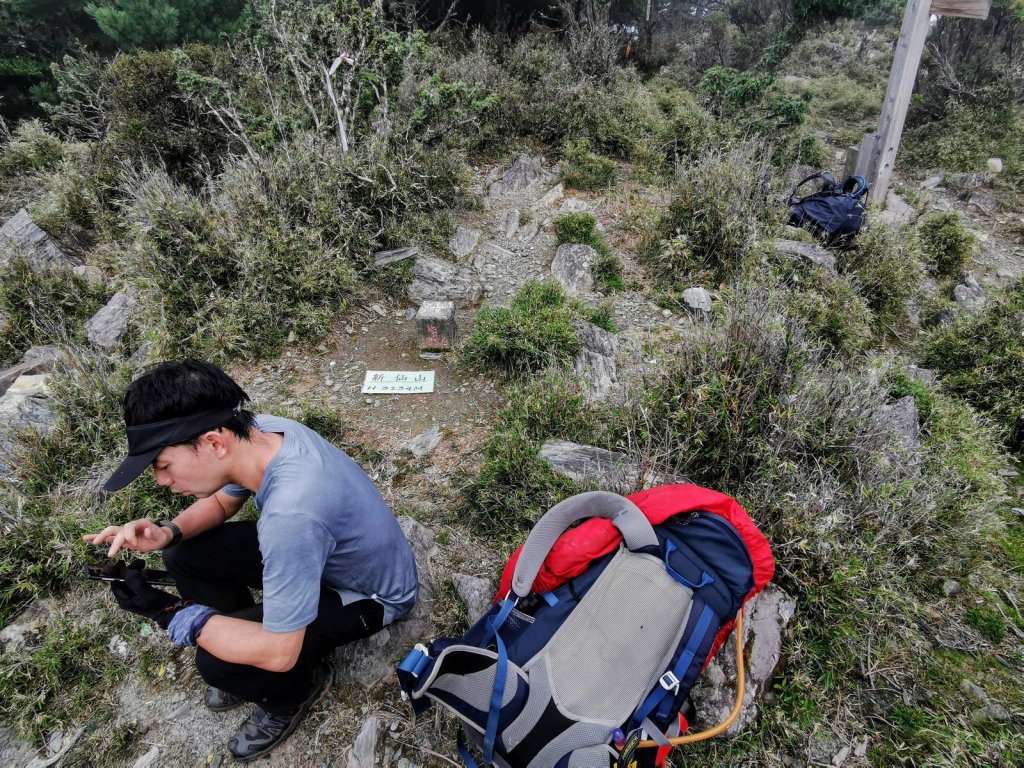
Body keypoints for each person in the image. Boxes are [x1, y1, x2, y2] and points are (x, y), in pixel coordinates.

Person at [85, 359, 418, 762]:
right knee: (183, 553)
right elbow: (226, 500)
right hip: (324, 555)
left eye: (164, 465)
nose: (161, 481)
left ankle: (292, 694)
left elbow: (280, 651)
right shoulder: (260, 432)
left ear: (212, 442)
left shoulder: (290, 515)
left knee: (217, 662)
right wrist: (166, 532)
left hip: (365, 594)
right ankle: (244, 638)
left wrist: (170, 613)